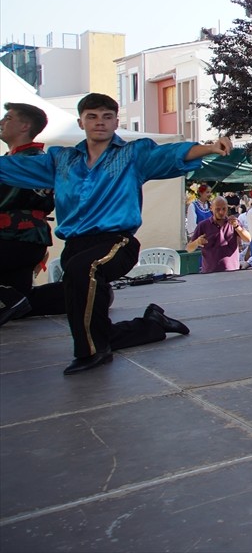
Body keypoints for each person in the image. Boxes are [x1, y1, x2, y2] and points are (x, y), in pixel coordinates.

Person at [0, 93, 230, 372]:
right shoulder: (61, 160)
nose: (100, 122)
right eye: (92, 116)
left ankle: (92, 355)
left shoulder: (133, 155)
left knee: (84, 269)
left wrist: (210, 148)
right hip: (75, 243)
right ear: (81, 121)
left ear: (115, 122)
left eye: (107, 117)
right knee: (90, 321)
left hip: (116, 242)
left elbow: (171, 154)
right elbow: (11, 167)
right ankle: (152, 324)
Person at [0, 102, 55, 309]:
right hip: (19, 239)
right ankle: (87, 294)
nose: (1, 122)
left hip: (18, 238)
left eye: (8, 118)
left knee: (13, 299)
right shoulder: (13, 159)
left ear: (25, 126)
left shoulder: (33, 161)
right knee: (20, 299)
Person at [185, 195, 251, 273]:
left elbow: (248, 239)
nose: (221, 212)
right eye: (218, 209)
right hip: (210, 273)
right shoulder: (203, 225)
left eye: (224, 209)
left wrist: (237, 227)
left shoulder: (233, 222)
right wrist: (197, 242)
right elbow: (188, 249)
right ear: (211, 209)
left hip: (232, 271)